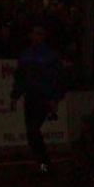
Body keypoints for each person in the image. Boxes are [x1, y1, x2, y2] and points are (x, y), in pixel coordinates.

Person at [10, 23, 67, 175]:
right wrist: (15, 95)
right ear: (30, 36)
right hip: (32, 96)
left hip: (44, 97)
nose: (37, 37)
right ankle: (43, 163)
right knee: (32, 131)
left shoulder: (50, 55)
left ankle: (43, 163)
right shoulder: (27, 54)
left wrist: (55, 98)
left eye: (40, 34)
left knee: (33, 130)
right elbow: (21, 78)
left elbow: (59, 78)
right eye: (35, 33)